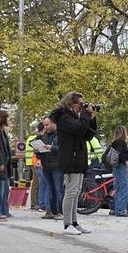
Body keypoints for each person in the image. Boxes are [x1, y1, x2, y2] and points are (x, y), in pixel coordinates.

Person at [51, 92, 97, 231]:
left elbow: (87, 134)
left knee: (76, 192)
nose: (81, 107)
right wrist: (85, 114)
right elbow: (79, 128)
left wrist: (92, 118)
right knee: (71, 192)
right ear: (71, 103)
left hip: (79, 158)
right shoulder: (63, 117)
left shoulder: (75, 117)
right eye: (80, 104)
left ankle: (74, 222)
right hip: (70, 158)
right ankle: (67, 224)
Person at [31, 117, 61, 219]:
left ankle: (60, 212)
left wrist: (52, 148)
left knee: (58, 189)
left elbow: (64, 149)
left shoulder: (60, 135)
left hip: (57, 166)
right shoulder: (44, 136)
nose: (45, 127)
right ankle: (51, 211)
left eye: (47, 125)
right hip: (46, 166)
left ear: (53, 123)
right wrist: (37, 151)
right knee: (50, 189)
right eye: (44, 125)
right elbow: (38, 149)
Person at [106, 125, 128, 217]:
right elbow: (120, 153)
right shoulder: (121, 142)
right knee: (125, 187)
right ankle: (120, 210)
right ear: (123, 132)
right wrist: (125, 161)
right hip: (121, 166)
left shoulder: (114, 141)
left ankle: (116, 209)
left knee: (118, 188)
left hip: (116, 167)